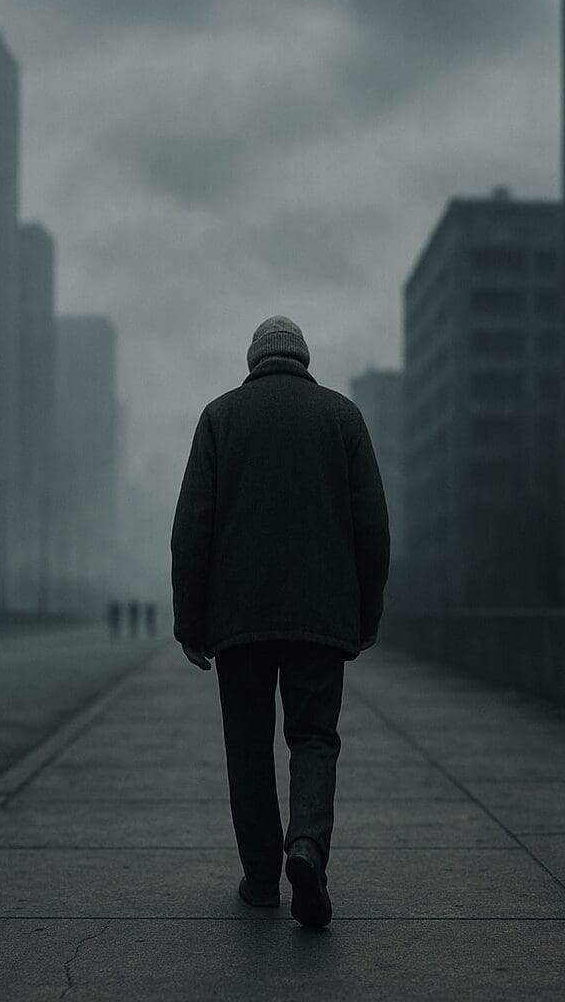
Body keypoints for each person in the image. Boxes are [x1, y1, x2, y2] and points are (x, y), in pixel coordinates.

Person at [171, 315, 389, 929]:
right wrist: (364, 615)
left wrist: (191, 621)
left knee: (248, 745)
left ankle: (263, 880)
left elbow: (192, 526)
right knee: (313, 737)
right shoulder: (341, 416)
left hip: (237, 618)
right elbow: (373, 524)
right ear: (305, 359)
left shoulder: (220, 416)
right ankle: (308, 848)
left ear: (252, 362)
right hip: (320, 616)